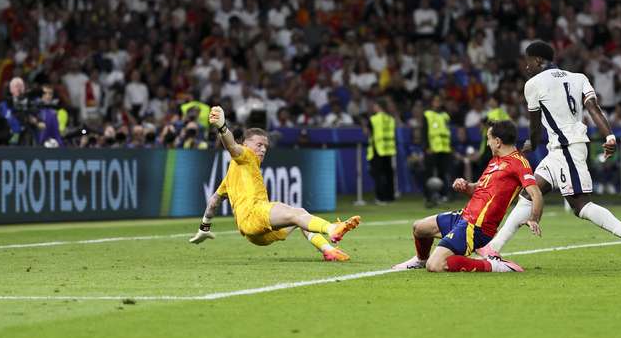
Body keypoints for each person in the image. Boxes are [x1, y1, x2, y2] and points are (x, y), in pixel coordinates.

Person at [478, 41, 621, 269]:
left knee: (581, 206)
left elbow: (535, 126)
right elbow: (593, 108)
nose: (526, 66)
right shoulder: (578, 77)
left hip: (566, 148)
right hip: (560, 149)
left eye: (528, 60)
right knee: (529, 194)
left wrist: (530, 144)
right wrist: (609, 137)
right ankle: (494, 248)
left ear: (538, 60)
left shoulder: (533, 84)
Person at [189, 105, 361, 261]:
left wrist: (204, 228)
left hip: (255, 236)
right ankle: (332, 229)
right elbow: (232, 147)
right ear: (246, 144)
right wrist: (222, 127)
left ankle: (328, 250)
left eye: (265, 146)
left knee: (300, 217)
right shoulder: (246, 155)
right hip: (255, 214)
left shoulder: (230, 176)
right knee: (296, 213)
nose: (263, 149)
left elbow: (213, 202)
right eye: (259, 145)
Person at [392, 120, 543, 273]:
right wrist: (464, 186)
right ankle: (420, 260)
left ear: (497, 142)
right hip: (465, 217)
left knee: (436, 265)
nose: (487, 143)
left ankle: (494, 265)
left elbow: (535, 193)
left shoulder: (519, 163)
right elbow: (477, 188)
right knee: (419, 228)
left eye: (488, 139)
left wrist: (533, 218)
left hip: (478, 227)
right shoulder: (495, 161)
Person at [422, 95, 452, 207]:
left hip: (444, 149)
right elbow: (424, 132)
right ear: (432, 103)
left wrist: (450, 146)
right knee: (429, 174)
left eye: (439, 101)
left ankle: (442, 195)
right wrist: (426, 147)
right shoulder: (427, 115)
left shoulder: (445, 116)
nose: (437, 103)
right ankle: (428, 196)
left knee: (443, 173)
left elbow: (448, 132)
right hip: (432, 149)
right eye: (435, 101)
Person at [366, 97, 397, 205]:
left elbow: (369, 133)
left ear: (379, 107)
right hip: (388, 150)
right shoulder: (391, 119)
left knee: (378, 175)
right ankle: (390, 196)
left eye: (375, 106)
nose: (373, 107)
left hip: (377, 150)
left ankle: (380, 198)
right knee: (389, 174)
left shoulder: (374, 119)